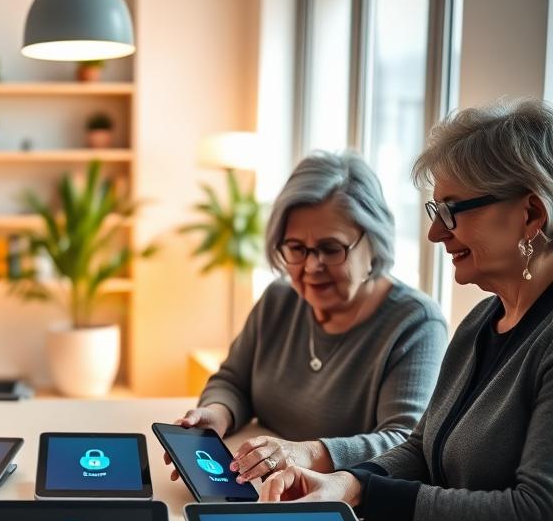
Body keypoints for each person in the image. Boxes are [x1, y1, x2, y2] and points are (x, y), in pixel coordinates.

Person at [258, 100, 553, 521]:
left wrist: (366, 494)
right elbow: (419, 449)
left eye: (453, 211)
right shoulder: (483, 322)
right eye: (435, 212)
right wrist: (345, 483)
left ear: (530, 214)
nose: (437, 233)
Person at [167, 151, 447, 483]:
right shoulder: (279, 299)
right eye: (296, 249)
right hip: (263, 486)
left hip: (348, 509)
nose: (312, 267)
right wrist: (215, 415)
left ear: (373, 243)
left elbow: (403, 442)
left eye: (331, 249)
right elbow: (233, 382)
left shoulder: (415, 323)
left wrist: (306, 453)